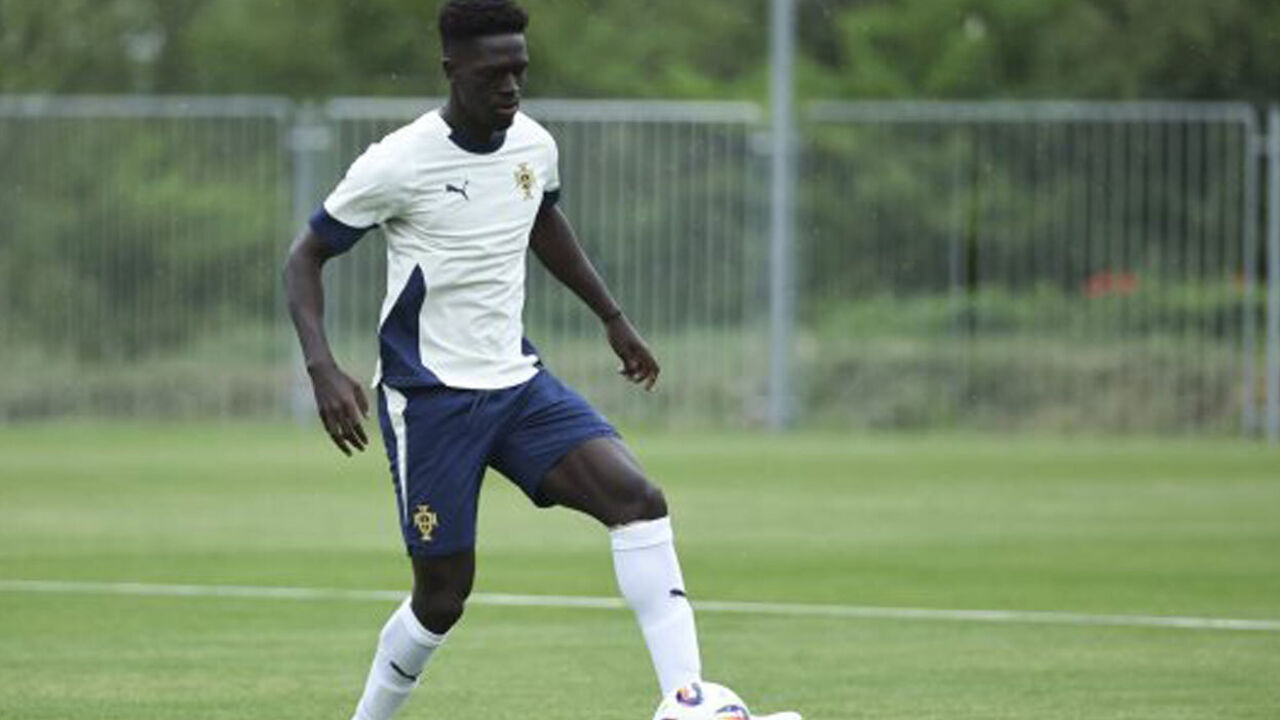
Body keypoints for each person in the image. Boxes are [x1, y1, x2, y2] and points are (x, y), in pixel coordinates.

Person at [283, 2, 799, 719]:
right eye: (495, 73)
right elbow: (306, 257)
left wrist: (613, 319)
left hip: (519, 387)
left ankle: (688, 704)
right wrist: (322, 369)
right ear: (452, 69)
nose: (511, 87)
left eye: (520, 71)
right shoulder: (398, 163)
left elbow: (543, 222)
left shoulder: (533, 145)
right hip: (431, 399)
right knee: (441, 600)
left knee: (639, 503)